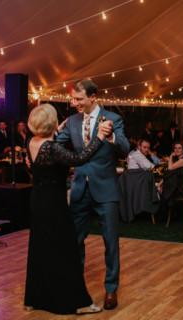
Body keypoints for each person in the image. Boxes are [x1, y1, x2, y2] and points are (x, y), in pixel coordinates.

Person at [25, 104, 112, 314]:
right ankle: (79, 303)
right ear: (51, 122)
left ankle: (33, 300)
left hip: (37, 200)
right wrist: (99, 136)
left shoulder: (31, 142)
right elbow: (79, 159)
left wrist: (56, 131)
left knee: (40, 249)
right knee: (67, 250)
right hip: (53, 204)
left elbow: (47, 151)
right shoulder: (53, 148)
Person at [56, 79, 130, 310]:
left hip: (106, 189)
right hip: (79, 189)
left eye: (78, 98)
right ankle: (74, 286)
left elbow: (126, 148)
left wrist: (110, 136)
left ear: (93, 97)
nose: (74, 102)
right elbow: (56, 146)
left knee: (110, 242)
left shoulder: (113, 119)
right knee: (74, 241)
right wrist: (56, 129)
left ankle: (110, 289)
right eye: (73, 98)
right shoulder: (73, 121)